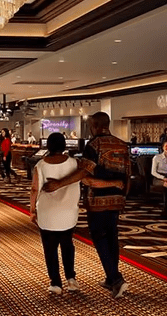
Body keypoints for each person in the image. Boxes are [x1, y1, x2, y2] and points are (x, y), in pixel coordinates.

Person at [43, 111, 131, 299]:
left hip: (98, 200)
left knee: (100, 238)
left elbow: (84, 174)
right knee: (112, 238)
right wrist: (122, 193)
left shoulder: (94, 145)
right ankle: (110, 278)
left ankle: (116, 279)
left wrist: (58, 184)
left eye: (91, 125)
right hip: (117, 200)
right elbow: (127, 175)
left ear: (96, 126)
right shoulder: (123, 145)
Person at [30, 133, 88, 294]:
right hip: (69, 212)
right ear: (64, 146)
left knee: (50, 248)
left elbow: (35, 188)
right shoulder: (75, 163)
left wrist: (32, 210)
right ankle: (71, 279)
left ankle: (55, 282)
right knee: (67, 245)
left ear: (48, 146)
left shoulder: (41, 165)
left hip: (47, 212)